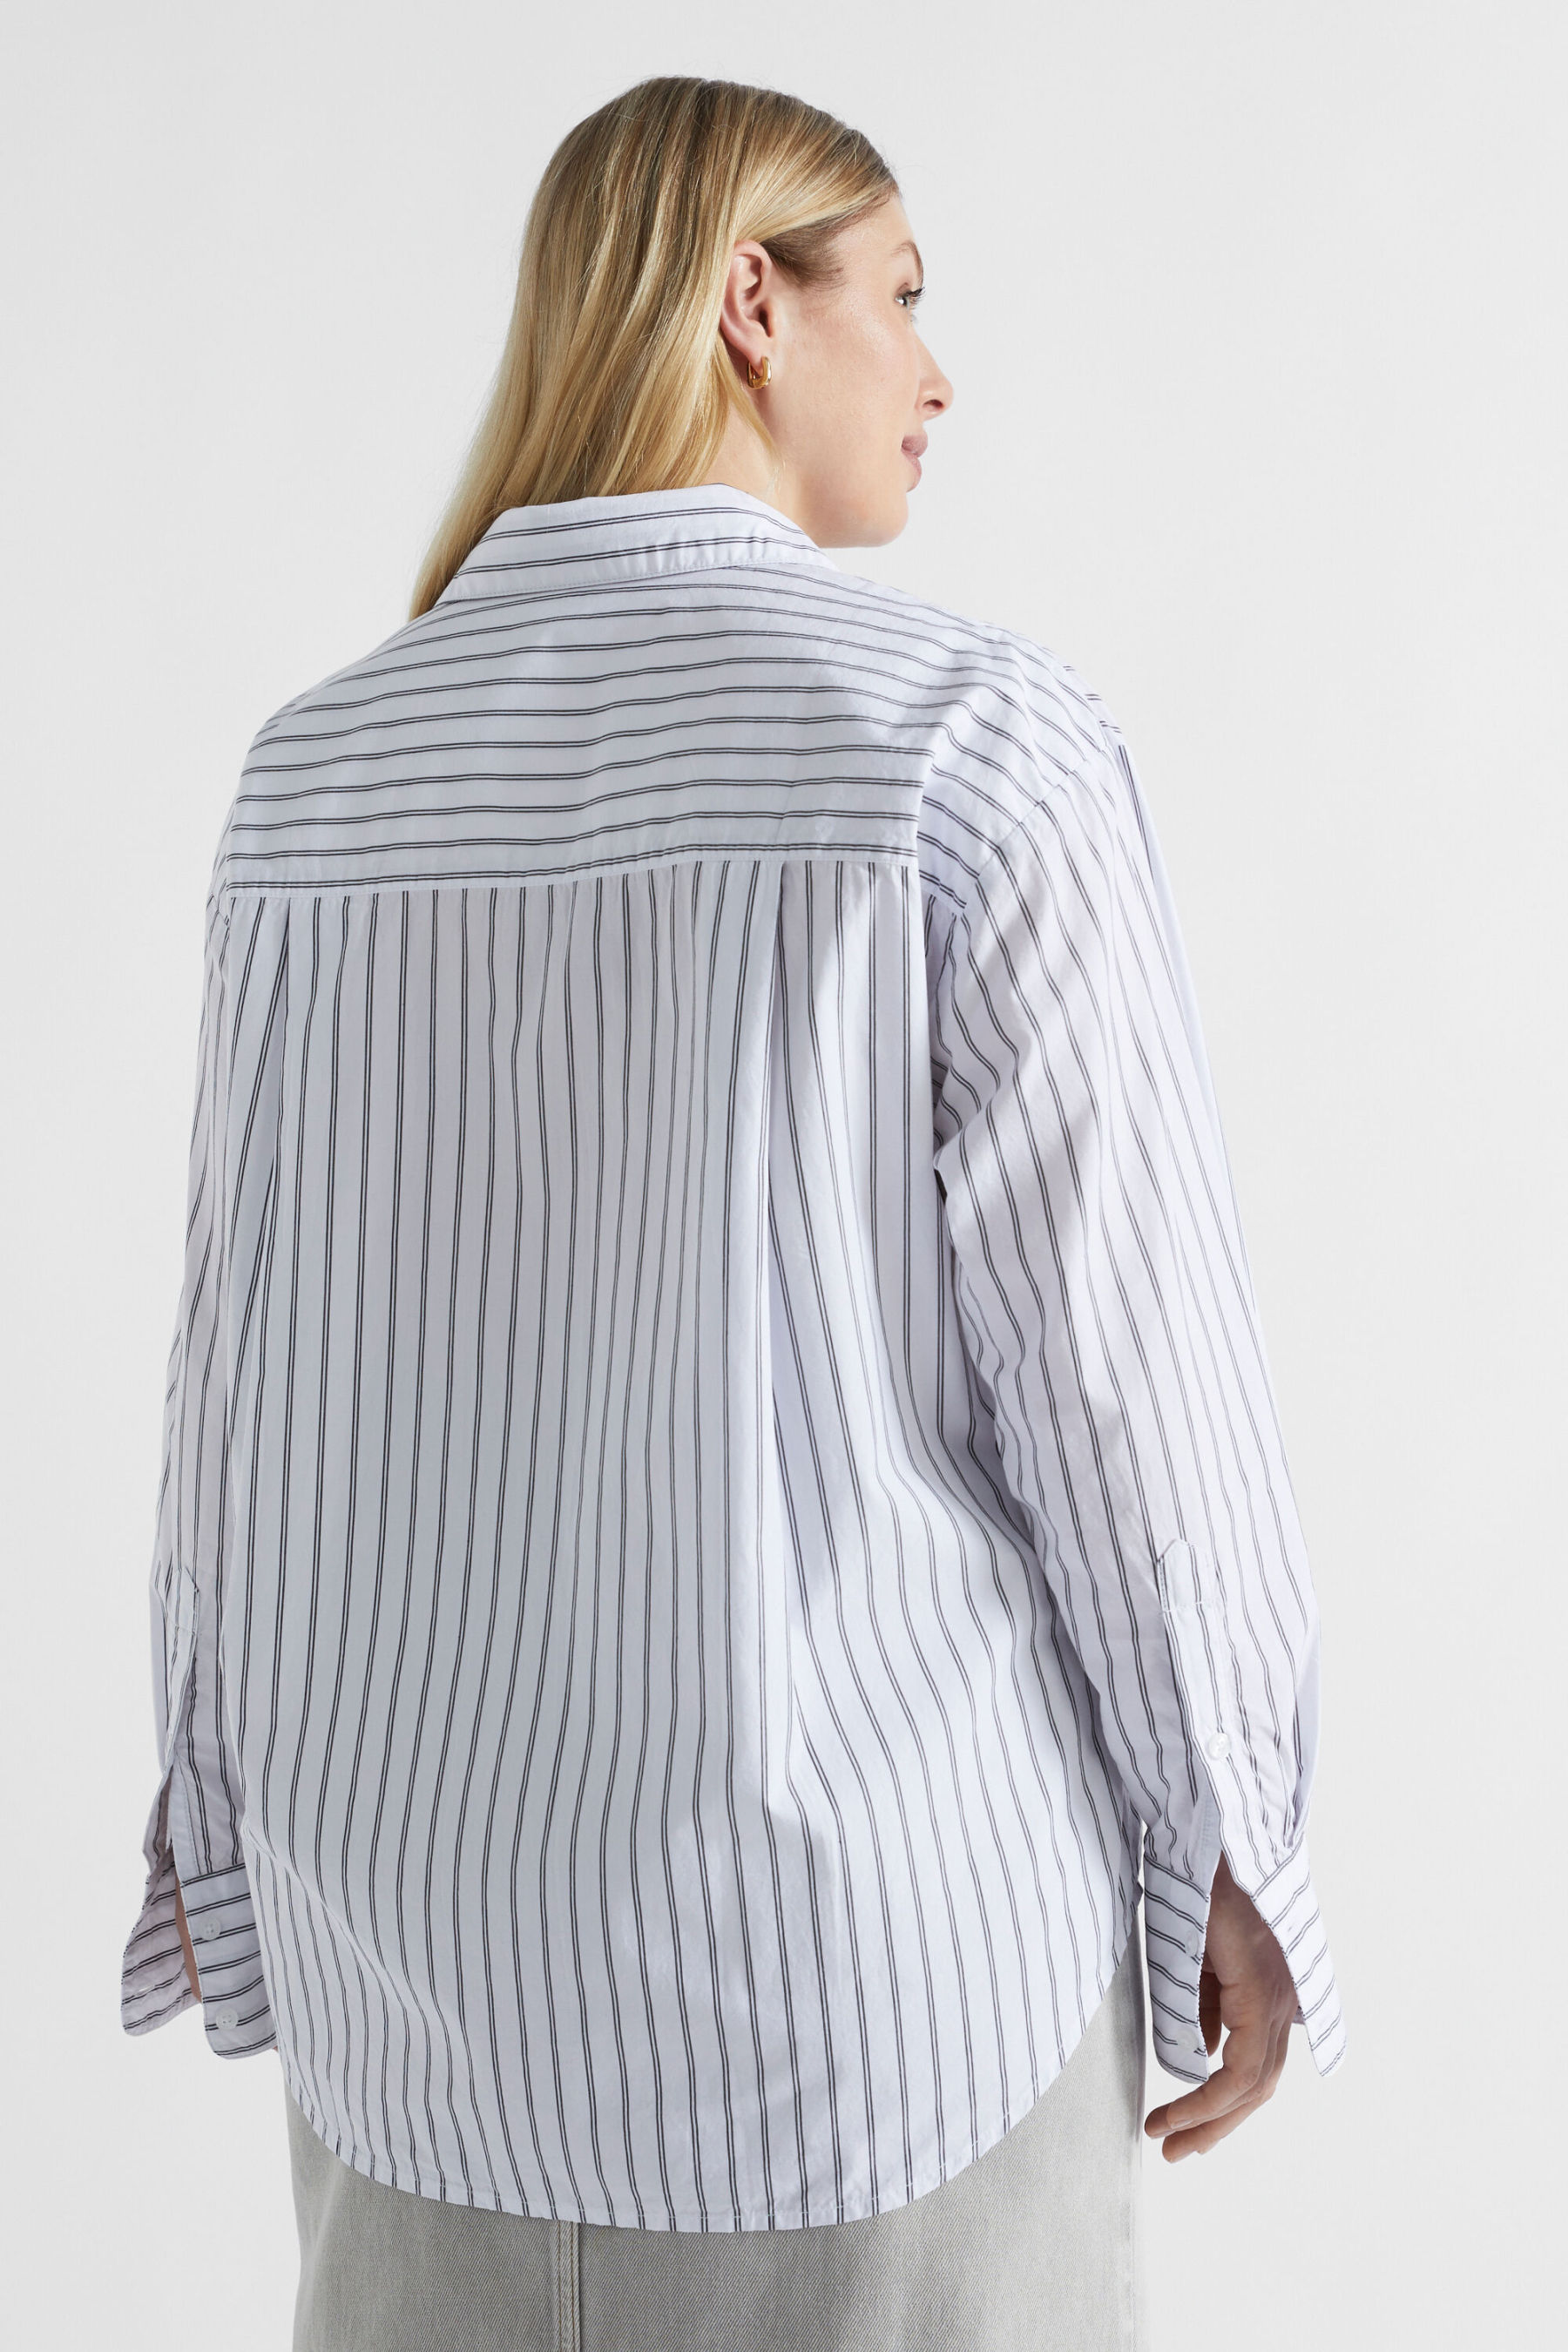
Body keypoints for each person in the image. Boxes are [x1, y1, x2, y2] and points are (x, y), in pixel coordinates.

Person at [118, 73, 1342, 2352]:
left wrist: (220, 1829)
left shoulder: (317, 779)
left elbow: (236, 1381)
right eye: (905, 294)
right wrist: (1232, 1837)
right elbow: (1123, 1380)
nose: (941, 373)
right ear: (750, 306)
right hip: (882, 2002)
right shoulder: (968, 742)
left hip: (426, 2005)